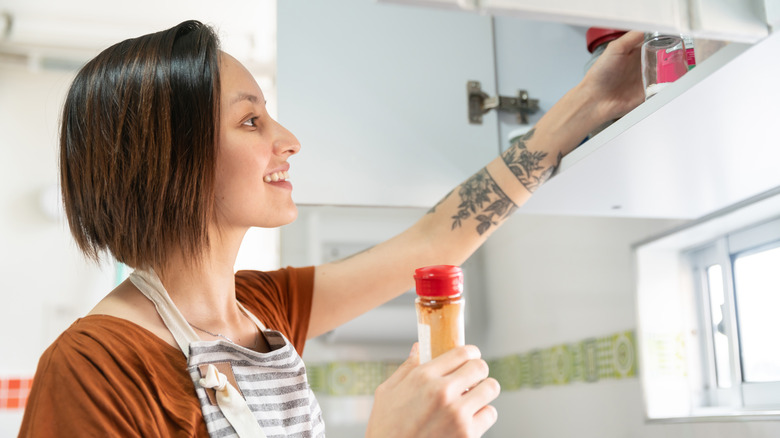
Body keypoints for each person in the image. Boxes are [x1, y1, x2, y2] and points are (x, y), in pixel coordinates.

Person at [18, 20, 644, 438]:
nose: (288, 141)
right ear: (170, 155)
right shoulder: (92, 369)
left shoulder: (264, 309)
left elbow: (434, 241)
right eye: (251, 122)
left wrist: (591, 101)